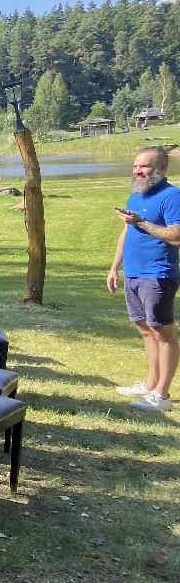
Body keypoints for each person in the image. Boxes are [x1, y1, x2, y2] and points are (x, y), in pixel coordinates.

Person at [108, 145, 180, 410]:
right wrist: (114, 267)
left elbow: (176, 236)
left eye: (144, 166)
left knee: (163, 332)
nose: (137, 171)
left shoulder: (172, 196)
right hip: (133, 273)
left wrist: (141, 222)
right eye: (136, 166)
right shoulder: (136, 194)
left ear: (162, 168)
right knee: (145, 330)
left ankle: (162, 395)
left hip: (157, 274)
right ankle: (150, 384)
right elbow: (126, 232)